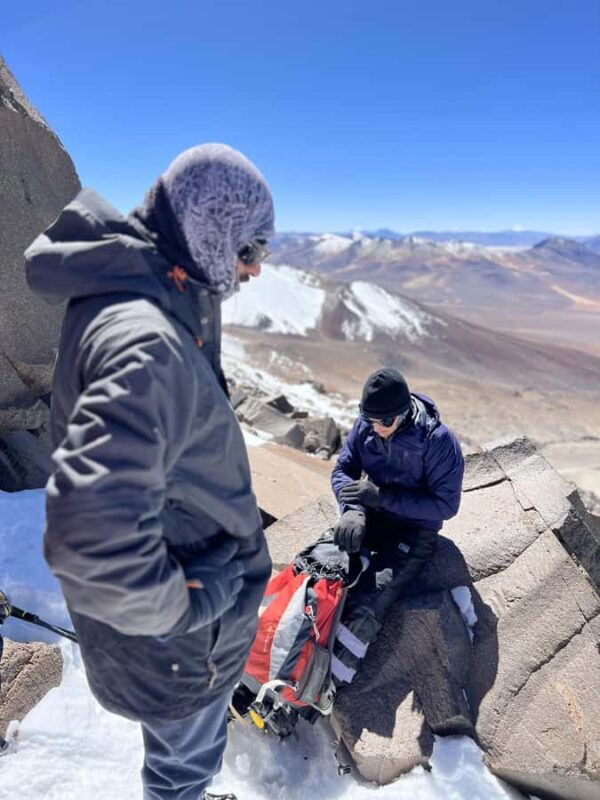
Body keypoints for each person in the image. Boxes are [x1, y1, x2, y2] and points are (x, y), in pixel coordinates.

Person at [25, 144, 275, 800]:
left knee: (175, 753)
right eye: (251, 248)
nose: (254, 269)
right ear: (210, 227)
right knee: (182, 768)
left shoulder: (149, 292)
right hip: (177, 651)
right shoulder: (146, 343)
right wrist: (195, 604)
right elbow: (89, 539)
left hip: (159, 643)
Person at [330, 367, 464, 685]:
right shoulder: (368, 425)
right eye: (370, 421)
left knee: (369, 600)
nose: (376, 429)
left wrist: (383, 497)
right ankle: (282, 661)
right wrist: (352, 511)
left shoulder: (438, 441)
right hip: (372, 514)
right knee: (325, 567)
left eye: (384, 422)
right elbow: (343, 469)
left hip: (413, 531)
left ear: (403, 414)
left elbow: (447, 506)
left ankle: (322, 692)